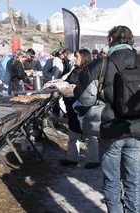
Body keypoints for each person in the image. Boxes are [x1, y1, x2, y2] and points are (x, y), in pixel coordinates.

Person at [74, 25, 140, 212]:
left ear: (111, 40)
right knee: (134, 182)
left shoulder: (101, 64)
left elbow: (86, 98)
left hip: (109, 128)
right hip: (136, 129)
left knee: (111, 181)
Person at [59, 49, 100, 169]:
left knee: (88, 133)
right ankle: (72, 158)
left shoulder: (88, 71)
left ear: (84, 57)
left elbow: (90, 89)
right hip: (72, 106)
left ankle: (94, 159)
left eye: (77, 57)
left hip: (82, 107)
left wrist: (76, 87)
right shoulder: (75, 69)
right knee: (73, 132)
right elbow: (67, 82)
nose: (74, 59)